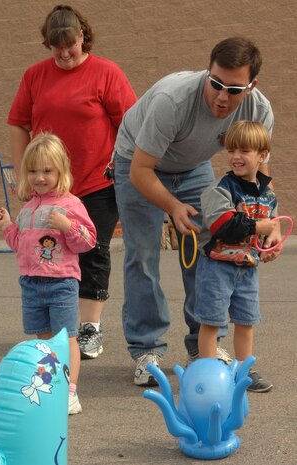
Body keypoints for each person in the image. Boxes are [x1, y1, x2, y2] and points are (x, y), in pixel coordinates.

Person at [113, 36, 282, 389]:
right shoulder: (172, 100)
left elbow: (258, 174)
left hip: (194, 166)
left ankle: (203, 347)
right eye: (216, 83)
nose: (222, 96)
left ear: (252, 86)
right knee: (143, 256)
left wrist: (271, 225)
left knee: (208, 255)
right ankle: (147, 351)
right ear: (208, 72)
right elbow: (140, 171)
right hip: (138, 163)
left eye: (234, 89)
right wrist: (172, 207)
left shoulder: (258, 110)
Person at [7, 4, 137, 360]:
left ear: (83, 36)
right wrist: (25, 175)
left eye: (71, 45)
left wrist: (126, 171)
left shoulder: (106, 72)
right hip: (48, 186)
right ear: (47, 43)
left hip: (96, 181)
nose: (64, 54)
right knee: (47, 250)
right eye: (56, 47)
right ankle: (52, 326)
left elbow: (130, 124)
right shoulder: (35, 75)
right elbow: (18, 123)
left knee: (92, 252)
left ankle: (90, 327)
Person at [0, 133, 97, 414]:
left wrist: (67, 226)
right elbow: (20, 246)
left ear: (61, 171)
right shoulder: (27, 209)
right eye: (33, 171)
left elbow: (87, 241)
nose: (40, 177)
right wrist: (7, 227)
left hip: (61, 282)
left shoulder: (71, 204)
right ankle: (48, 385)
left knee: (66, 339)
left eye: (47, 171)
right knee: (43, 342)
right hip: (31, 284)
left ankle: (70, 391)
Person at [196, 121, 278, 391]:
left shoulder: (267, 193)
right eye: (231, 150)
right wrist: (257, 227)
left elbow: (271, 225)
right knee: (212, 322)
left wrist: (271, 241)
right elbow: (221, 225)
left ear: (262, 155)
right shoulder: (221, 188)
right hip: (217, 267)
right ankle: (208, 375)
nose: (235, 157)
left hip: (247, 269)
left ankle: (244, 371)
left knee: (246, 321)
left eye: (244, 151)